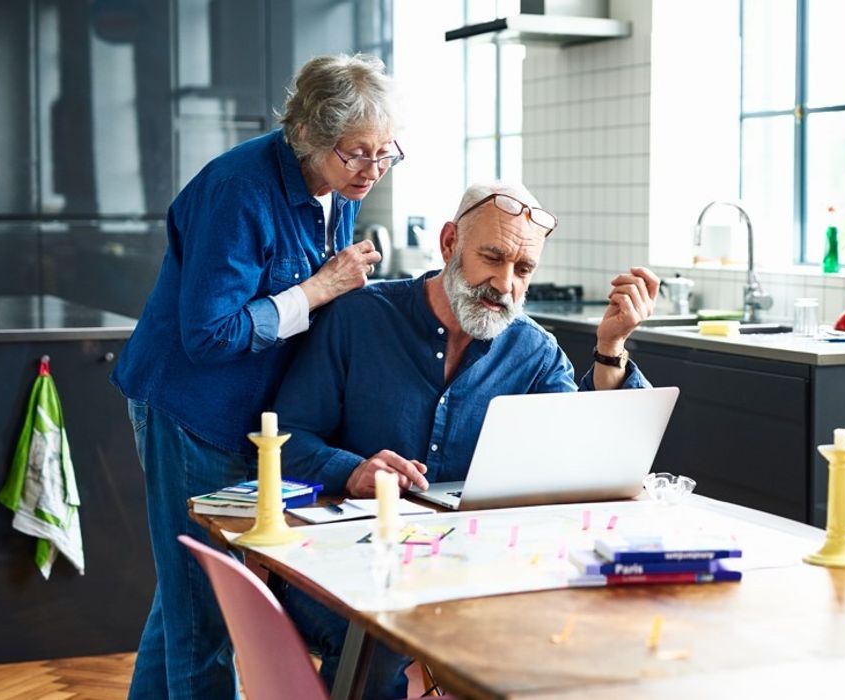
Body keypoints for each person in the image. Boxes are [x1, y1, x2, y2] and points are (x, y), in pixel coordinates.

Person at [272, 180, 660, 697]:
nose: (504, 284)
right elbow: (287, 437)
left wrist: (611, 346)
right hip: (344, 563)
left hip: (471, 568)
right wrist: (353, 470)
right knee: (380, 636)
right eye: (492, 258)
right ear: (450, 242)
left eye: (523, 270)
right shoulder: (358, 318)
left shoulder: (533, 352)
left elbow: (587, 452)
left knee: (570, 628)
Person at [111, 52, 401, 699]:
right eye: (357, 154)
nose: (373, 171)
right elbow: (209, 333)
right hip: (192, 410)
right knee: (204, 613)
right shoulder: (240, 190)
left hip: (246, 417)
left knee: (189, 589)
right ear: (310, 136)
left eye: (385, 154)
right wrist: (321, 288)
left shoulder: (337, 187)